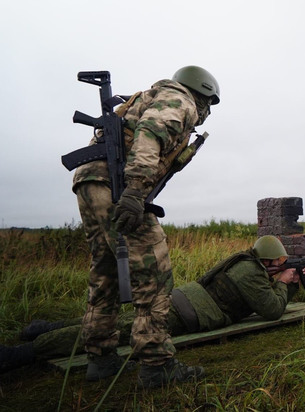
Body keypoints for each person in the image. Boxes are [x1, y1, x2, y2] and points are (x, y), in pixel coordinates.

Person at [0, 236, 305, 388]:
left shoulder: (244, 261)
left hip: (181, 299)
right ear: (269, 262)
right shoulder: (252, 274)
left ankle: (44, 327)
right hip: (184, 315)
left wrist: (287, 280)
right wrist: (285, 283)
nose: (281, 269)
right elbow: (271, 310)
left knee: (111, 321)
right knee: (115, 333)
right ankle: (18, 355)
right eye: (279, 265)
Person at [71, 66, 220, 388]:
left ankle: (100, 357)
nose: (206, 112)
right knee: (152, 274)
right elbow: (151, 131)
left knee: (106, 270)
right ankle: (157, 364)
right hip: (118, 187)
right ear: (203, 92)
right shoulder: (179, 100)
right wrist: (135, 190)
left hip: (89, 183)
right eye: (209, 103)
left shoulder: (150, 96)